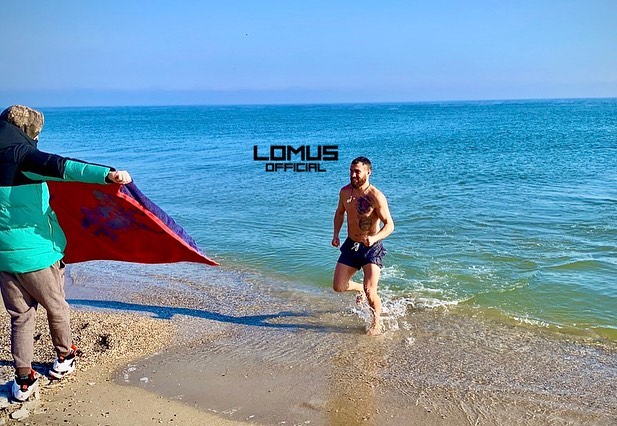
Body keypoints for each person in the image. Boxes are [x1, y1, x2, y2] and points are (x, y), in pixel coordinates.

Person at [0, 105, 132, 402]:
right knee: (56, 307)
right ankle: (64, 357)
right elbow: (64, 167)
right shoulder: (22, 157)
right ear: (28, 131)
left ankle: (23, 381)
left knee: (20, 316)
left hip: (4, 258)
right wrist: (108, 175)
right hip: (38, 256)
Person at [332, 156, 394, 336]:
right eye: (351, 171)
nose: (353, 175)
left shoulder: (375, 196)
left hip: (371, 248)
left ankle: (376, 323)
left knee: (370, 291)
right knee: (338, 286)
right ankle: (358, 288)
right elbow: (339, 213)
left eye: (357, 172)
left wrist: (374, 238)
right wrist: (336, 234)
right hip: (351, 245)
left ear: (368, 172)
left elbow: (389, 225)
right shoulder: (345, 192)